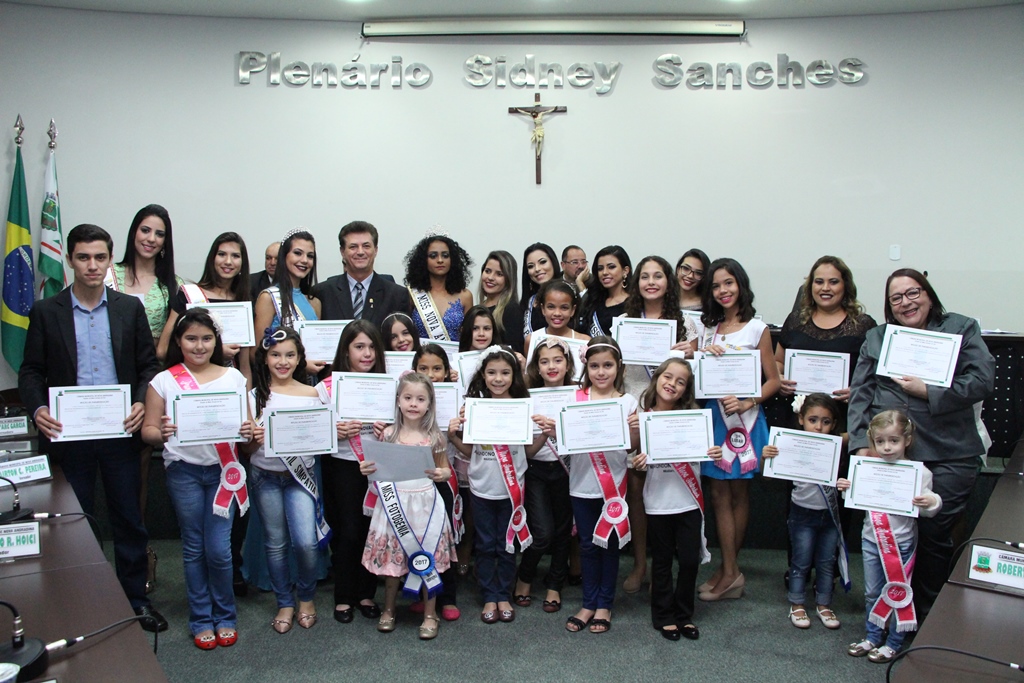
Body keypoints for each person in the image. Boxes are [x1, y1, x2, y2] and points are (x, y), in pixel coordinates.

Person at [19, 223, 167, 633]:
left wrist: (142, 400)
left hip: (120, 432)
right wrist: (36, 410)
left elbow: (147, 367)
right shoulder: (47, 311)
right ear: (69, 259)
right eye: (83, 257)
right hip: (69, 436)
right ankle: (81, 604)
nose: (92, 265)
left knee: (128, 518)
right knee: (75, 524)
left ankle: (135, 600)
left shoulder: (127, 308)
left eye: (100, 257)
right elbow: (31, 371)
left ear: (109, 260)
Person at [847, 268, 994, 621]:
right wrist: (858, 444)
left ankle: (927, 615)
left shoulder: (961, 327)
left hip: (950, 451)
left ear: (928, 294)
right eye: (896, 298)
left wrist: (929, 391)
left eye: (913, 293)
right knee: (893, 536)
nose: (905, 302)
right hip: (893, 454)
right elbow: (861, 393)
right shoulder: (878, 338)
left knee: (933, 528)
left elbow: (982, 379)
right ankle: (890, 615)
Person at [142, 308, 255, 649]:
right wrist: (159, 432)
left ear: (216, 341)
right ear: (178, 341)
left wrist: (250, 432)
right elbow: (147, 430)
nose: (199, 345)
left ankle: (225, 615)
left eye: (206, 338)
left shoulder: (234, 378)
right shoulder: (164, 380)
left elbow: (248, 438)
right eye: (191, 338)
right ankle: (201, 617)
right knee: (193, 547)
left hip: (226, 473)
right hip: (184, 472)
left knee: (219, 550)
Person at [107, 204, 183, 594]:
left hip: (148, 382)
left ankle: (142, 554)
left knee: (137, 475)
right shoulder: (108, 274)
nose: (151, 239)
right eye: (145, 230)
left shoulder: (174, 286)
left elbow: (169, 346)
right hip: (106, 385)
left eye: (159, 234)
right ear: (133, 232)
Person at [698, 258, 781, 601]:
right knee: (717, 496)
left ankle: (732, 571)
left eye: (728, 283)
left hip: (744, 423)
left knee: (738, 495)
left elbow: (773, 380)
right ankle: (727, 568)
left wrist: (749, 402)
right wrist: (702, 353)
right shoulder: (708, 330)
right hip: (714, 419)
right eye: (716, 286)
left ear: (740, 285)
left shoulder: (757, 328)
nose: (723, 291)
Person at [447, 345, 546, 624]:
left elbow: (526, 453)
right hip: (481, 488)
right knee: (485, 544)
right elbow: (470, 451)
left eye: (505, 373)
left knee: (506, 546)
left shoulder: (521, 407)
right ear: (483, 374)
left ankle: (504, 593)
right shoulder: (474, 406)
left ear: (514, 375)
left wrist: (545, 437)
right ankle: (489, 595)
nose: (498, 379)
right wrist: (453, 436)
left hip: (512, 490)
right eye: (492, 373)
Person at [620, 255, 697, 594]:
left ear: (669, 282)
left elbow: (695, 378)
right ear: (636, 282)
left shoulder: (687, 325)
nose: (651, 282)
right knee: (637, 491)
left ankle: (667, 565)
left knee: (670, 488)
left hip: (671, 416)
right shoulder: (623, 321)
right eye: (645, 276)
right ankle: (641, 564)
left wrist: (692, 355)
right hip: (637, 411)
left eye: (659, 276)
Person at [359, 372, 457, 639]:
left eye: (420, 399)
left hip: (425, 505)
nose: (414, 403)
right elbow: (376, 469)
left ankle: (430, 613)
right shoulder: (388, 434)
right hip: (394, 506)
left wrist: (442, 475)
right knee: (394, 562)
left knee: (427, 558)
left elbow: (445, 470)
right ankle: (388, 609)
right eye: (408, 397)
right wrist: (366, 468)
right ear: (399, 401)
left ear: (429, 404)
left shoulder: (435, 437)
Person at [840, 410, 941, 663]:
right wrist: (847, 489)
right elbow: (855, 500)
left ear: (907, 440)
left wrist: (930, 501)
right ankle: (873, 635)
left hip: (901, 544)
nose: (886, 447)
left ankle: (894, 642)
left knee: (898, 593)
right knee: (872, 592)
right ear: (872, 441)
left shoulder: (920, 473)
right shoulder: (866, 468)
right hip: (871, 539)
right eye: (880, 441)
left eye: (893, 440)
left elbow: (932, 507)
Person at [245, 328, 327, 634]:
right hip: (264, 477)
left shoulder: (314, 394)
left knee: (305, 542)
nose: (283, 361)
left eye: (290, 355)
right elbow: (247, 450)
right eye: (276, 355)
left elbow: (322, 442)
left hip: (299, 479)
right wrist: (252, 439)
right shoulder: (253, 397)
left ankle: (306, 596)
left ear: (299, 359)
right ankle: (285, 601)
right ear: (265, 358)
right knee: (276, 543)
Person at [632, 358, 721, 641]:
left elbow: (704, 452)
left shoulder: (695, 419)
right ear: (657, 379)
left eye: (680, 381)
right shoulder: (643, 418)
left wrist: (713, 452)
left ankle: (684, 614)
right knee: (661, 562)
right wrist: (639, 462)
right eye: (668, 377)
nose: (672, 384)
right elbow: (633, 457)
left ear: (686, 390)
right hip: (658, 502)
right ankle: (663, 615)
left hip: (688, 502)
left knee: (689, 561)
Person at [564, 338, 640, 635]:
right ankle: (588, 602)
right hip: (581, 485)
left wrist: (635, 431)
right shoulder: (574, 397)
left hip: (614, 487)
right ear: (586, 366)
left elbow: (632, 448)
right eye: (594, 366)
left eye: (607, 365)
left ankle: (604, 604)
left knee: (609, 545)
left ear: (618, 367)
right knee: (586, 545)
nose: (601, 372)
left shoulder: (629, 401)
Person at [316, 320, 385, 624]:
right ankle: (344, 596)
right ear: (345, 351)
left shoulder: (387, 384)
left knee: (374, 530)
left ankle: (366, 592)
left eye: (371, 347)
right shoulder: (326, 387)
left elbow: (408, 423)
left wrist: (390, 429)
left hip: (378, 465)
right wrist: (335, 431)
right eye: (359, 347)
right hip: (342, 466)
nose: (367, 353)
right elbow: (312, 433)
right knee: (348, 531)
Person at [762, 393, 848, 631]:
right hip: (801, 514)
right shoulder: (790, 444)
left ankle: (824, 604)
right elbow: (768, 474)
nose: (819, 427)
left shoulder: (837, 447)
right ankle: (797, 603)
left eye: (826, 422)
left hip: (828, 516)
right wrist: (766, 457)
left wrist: (845, 484)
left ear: (834, 424)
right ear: (801, 419)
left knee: (826, 563)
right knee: (800, 562)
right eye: (813, 420)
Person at [515, 337, 577, 614]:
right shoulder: (528, 398)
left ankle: (555, 583)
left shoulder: (579, 395)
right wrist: (544, 433)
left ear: (568, 365)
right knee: (542, 533)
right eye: (544, 361)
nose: (551, 366)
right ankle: (525, 576)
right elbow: (527, 453)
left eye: (558, 360)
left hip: (568, 470)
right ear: (536, 368)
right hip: (537, 470)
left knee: (564, 532)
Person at [411, 344, 464, 621]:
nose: (430, 375)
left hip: (444, 475)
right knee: (417, 537)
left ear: (447, 371)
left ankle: (447, 596)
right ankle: (422, 592)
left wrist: (458, 427)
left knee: (444, 537)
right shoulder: (408, 396)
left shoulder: (456, 396)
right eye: (423, 369)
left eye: (437, 368)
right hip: (413, 480)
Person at [158, 232, 252, 381]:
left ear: (242, 263)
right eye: (222, 254)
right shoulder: (189, 295)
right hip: (192, 383)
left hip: (230, 387)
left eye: (235, 256)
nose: (228, 261)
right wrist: (214, 351)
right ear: (212, 259)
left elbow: (245, 367)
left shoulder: (245, 302)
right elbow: (163, 350)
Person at [313, 221, 412, 328]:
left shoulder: (397, 295)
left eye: (366, 246)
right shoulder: (322, 293)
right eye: (353, 247)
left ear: (376, 250)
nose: (360, 252)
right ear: (342, 252)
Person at [254, 229, 324, 376]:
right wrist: (301, 365)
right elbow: (256, 353)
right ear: (284, 256)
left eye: (310, 256)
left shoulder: (315, 303)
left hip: (310, 384)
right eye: (298, 253)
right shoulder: (269, 297)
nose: (304, 260)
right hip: (278, 383)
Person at [404, 231, 473, 343]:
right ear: (423, 260)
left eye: (445, 255)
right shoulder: (412, 294)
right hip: (421, 357)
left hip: (454, 358)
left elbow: (469, 336)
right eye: (433, 256)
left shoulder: (465, 296)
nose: (440, 260)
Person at [577, 246, 631, 337]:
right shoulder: (594, 300)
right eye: (600, 268)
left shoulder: (634, 303)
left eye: (611, 267)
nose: (605, 272)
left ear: (625, 271)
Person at [523, 280, 590, 355]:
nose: (557, 313)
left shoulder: (585, 341)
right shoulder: (531, 340)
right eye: (551, 307)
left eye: (564, 308)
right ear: (543, 309)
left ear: (573, 310)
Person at [478, 250, 524, 350]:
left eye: (499, 274)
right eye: (488, 271)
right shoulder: (478, 308)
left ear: (508, 280)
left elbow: (514, 351)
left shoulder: (511, 310)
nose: (490, 277)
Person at [520, 243, 562, 335]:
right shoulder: (527, 303)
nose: (537, 269)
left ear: (553, 262)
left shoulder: (569, 295)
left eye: (542, 262)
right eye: (531, 266)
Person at [676, 248, 711, 341]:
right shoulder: (663, 300)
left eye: (698, 273)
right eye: (686, 269)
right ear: (678, 269)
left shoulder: (709, 305)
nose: (690, 276)